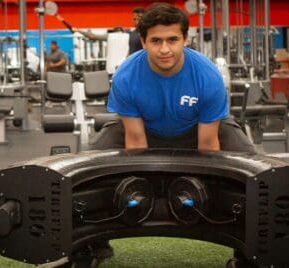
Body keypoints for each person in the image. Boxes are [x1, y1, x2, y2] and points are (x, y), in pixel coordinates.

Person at [87, 3, 254, 263]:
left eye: (172, 39)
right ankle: (93, 244)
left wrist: (205, 194)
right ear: (142, 41)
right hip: (145, 131)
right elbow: (135, 141)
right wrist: (141, 194)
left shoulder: (207, 76)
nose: (164, 49)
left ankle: (247, 249)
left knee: (248, 163)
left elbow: (209, 144)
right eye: (155, 40)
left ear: (185, 39)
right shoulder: (127, 76)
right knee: (92, 161)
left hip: (196, 131)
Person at [80, 7, 145, 56]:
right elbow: (93, 36)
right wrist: (78, 30)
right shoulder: (129, 35)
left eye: (139, 19)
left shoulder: (148, 33)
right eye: (134, 19)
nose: (136, 22)